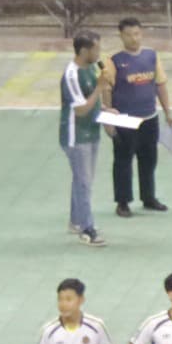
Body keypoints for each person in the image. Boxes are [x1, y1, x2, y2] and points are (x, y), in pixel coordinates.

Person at [102, 16, 172, 221]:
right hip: (125, 120)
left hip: (149, 118)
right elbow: (106, 90)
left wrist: (168, 113)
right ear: (121, 36)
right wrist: (109, 119)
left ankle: (148, 197)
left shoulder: (152, 56)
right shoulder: (113, 60)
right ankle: (123, 202)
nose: (134, 38)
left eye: (137, 34)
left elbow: (160, 85)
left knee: (149, 160)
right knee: (123, 161)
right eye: (129, 35)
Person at [58, 32, 106, 247]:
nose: (99, 53)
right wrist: (100, 88)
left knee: (83, 180)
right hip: (76, 136)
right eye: (96, 49)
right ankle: (87, 229)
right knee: (84, 182)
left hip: (92, 132)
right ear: (84, 51)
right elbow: (80, 109)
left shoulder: (91, 68)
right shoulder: (71, 75)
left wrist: (107, 110)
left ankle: (76, 221)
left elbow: (92, 102)